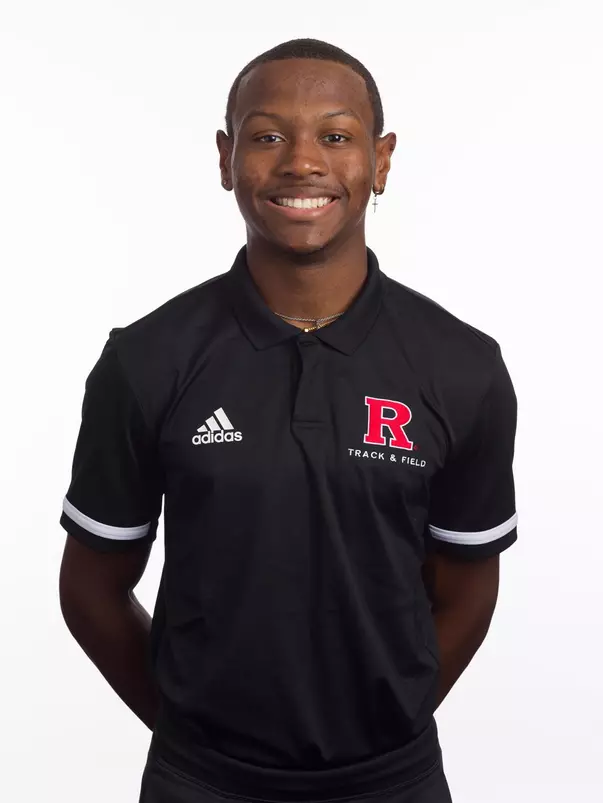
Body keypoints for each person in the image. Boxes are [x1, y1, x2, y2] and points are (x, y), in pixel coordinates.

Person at [58, 38, 518, 803]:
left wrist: (381, 724)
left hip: (392, 781)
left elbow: (468, 587)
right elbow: (90, 588)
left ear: (380, 160)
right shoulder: (146, 359)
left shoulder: (460, 366)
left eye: (335, 137)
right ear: (224, 156)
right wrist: (189, 733)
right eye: (267, 135)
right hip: (198, 782)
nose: (301, 161)